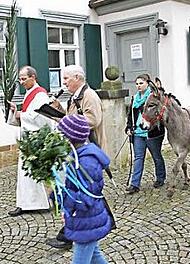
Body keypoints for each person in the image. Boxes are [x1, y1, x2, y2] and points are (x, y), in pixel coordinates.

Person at [46, 65, 107, 249]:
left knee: (85, 193)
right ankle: (71, 233)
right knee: (79, 190)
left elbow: (93, 120)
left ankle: (71, 235)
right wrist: (59, 111)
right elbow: (74, 118)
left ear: (78, 78)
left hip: (88, 148)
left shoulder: (89, 95)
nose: (63, 82)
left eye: (66, 79)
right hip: (77, 149)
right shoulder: (75, 96)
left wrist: (66, 121)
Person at [57, 114, 111, 264]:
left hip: (87, 221)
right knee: (95, 256)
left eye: (62, 135)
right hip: (84, 220)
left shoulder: (87, 163)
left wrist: (59, 199)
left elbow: (85, 198)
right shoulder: (76, 157)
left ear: (71, 138)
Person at [7, 66, 54, 217]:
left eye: (24, 79)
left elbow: (42, 117)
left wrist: (22, 115)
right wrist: (16, 111)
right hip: (28, 137)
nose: (21, 82)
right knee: (25, 173)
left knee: (33, 171)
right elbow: (29, 113)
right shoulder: (29, 93)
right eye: (20, 79)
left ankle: (40, 203)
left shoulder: (40, 94)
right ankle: (27, 203)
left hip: (35, 137)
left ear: (33, 77)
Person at [125, 74, 166, 194]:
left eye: (141, 83)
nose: (138, 86)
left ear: (147, 84)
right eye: (137, 84)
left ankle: (160, 178)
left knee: (156, 156)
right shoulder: (135, 98)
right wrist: (129, 127)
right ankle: (135, 184)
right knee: (138, 158)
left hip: (152, 133)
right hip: (138, 132)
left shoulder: (153, 97)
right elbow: (130, 115)